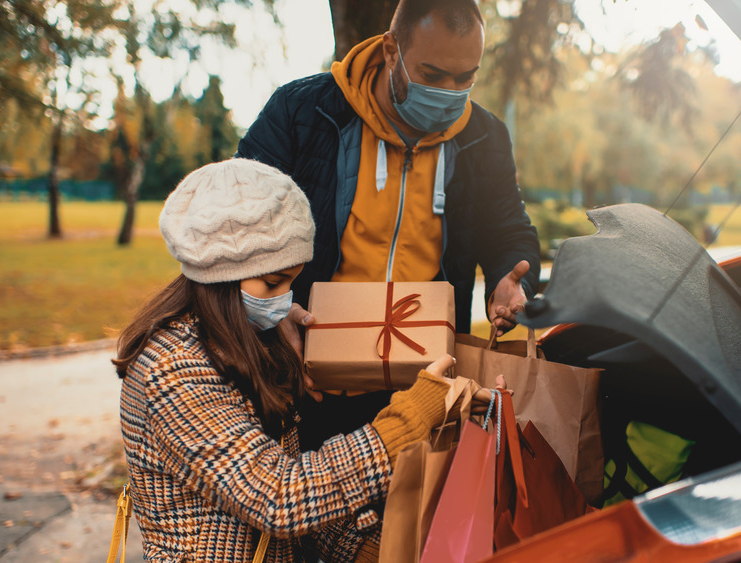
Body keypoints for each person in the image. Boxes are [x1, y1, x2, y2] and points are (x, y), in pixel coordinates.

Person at [112, 159, 493, 562]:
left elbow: (295, 482)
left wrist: (365, 548)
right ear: (219, 276)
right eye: (273, 283)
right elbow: (278, 496)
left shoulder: (248, 340)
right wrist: (410, 419)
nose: (284, 300)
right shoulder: (173, 367)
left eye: (292, 281)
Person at [236, 0, 540, 450]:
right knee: (306, 510)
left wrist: (509, 278)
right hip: (307, 376)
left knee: (406, 518)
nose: (450, 92)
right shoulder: (302, 111)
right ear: (391, 50)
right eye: (433, 76)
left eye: (465, 78)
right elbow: (237, 222)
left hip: (421, 391)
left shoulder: (485, 136)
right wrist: (274, 308)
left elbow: (507, 228)